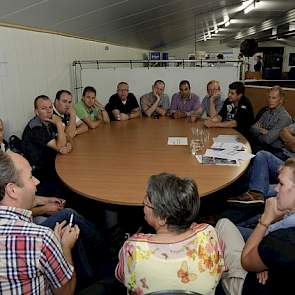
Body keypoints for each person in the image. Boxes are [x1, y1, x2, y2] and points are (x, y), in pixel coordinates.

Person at [116, 173, 225, 295]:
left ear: (163, 218)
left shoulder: (134, 247)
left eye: (146, 203)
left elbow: (122, 277)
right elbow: (219, 270)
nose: (144, 207)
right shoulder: (208, 234)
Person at [0, 151, 79, 294]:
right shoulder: (41, 239)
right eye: (30, 176)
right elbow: (66, 292)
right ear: (12, 190)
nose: (37, 181)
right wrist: (64, 247)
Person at [218, 158, 295, 294]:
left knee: (221, 224)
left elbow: (246, 261)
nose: (276, 188)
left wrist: (265, 220)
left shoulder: (279, 240)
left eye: (281, 184)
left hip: (251, 286)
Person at [22, 95, 71, 197]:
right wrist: (59, 124)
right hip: (40, 174)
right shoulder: (36, 128)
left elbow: (66, 139)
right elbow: (60, 146)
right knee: (68, 188)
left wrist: (67, 144)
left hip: (52, 164)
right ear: (36, 111)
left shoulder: (49, 122)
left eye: (50, 107)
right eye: (44, 108)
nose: (49, 111)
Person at [249, 86, 292, 154]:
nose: (270, 100)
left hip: (275, 151)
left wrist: (259, 130)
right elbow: (252, 129)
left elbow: (268, 140)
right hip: (261, 146)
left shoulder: (284, 118)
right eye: (269, 97)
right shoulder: (266, 112)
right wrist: (263, 131)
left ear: (281, 100)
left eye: (274, 98)